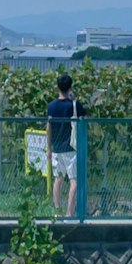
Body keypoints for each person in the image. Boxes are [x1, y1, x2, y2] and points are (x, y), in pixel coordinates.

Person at [43, 73, 84, 216]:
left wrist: (48, 148)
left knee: (58, 180)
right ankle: (69, 213)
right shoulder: (74, 105)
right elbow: (85, 121)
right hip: (71, 148)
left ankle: (57, 212)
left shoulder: (51, 106)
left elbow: (49, 127)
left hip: (56, 149)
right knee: (74, 181)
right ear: (70, 87)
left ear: (57, 87)